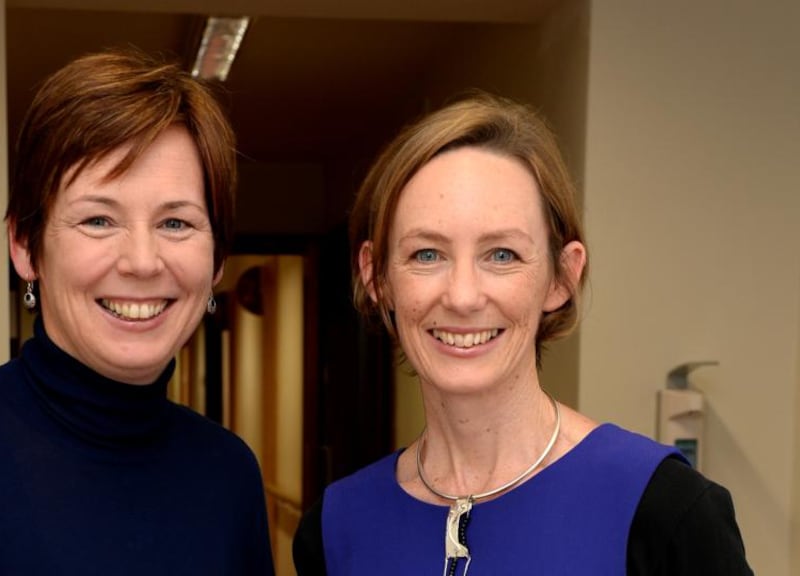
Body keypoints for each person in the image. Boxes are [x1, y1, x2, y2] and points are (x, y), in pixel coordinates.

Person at [0, 49, 274, 575]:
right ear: (25, 246)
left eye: (175, 224)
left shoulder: (228, 476)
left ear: (218, 257)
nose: (141, 261)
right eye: (98, 220)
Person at [293, 93, 752, 575]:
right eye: (427, 254)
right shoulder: (338, 529)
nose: (463, 296)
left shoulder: (663, 511)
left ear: (562, 277)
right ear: (377, 277)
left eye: (502, 255)